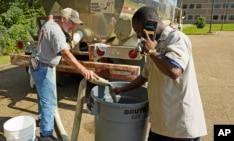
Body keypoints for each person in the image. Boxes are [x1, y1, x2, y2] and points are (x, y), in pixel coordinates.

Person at [113, 6, 207, 141]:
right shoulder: (154, 44)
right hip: (160, 125)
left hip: (180, 128)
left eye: (139, 31)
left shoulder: (177, 38)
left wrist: (152, 52)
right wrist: (122, 90)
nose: (138, 36)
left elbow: (174, 71)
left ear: (151, 23)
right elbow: (143, 77)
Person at [30, 8, 98, 141]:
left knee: (42, 98)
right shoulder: (57, 32)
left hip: (36, 64)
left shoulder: (49, 24)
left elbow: (51, 28)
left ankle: (41, 119)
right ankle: (46, 135)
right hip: (44, 68)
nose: (74, 26)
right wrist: (84, 70)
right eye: (72, 22)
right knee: (49, 102)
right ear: (63, 19)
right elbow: (66, 54)